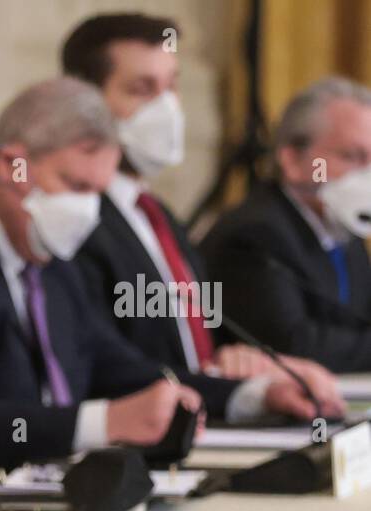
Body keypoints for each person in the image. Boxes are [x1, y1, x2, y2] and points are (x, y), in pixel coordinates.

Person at [0, 78, 322, 490]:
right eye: (73, 184)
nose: (85, 210)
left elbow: (111, 363)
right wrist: (105, 423)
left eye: (96, 192)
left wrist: (251, 395)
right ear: (9, 166)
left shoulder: (47, 246)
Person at [64, 13, 343, 412]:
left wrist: (248, 364)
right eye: (143, 89)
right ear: (84, 103)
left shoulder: (156, 214)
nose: (166, 107)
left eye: (171, 85)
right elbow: (111, 367)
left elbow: (193, 345)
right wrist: (247, 395)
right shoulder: (78, 222)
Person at [202, 76, 371, 371]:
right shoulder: (254, 234)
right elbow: (292, 344)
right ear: (292, 159)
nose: (366, 174)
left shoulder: (346, 235)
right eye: (352, 156)